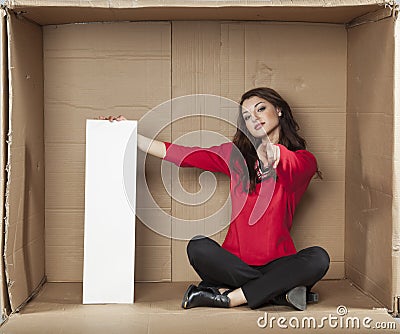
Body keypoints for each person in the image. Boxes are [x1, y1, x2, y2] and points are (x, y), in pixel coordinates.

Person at [100, 87, 330, 311]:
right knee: (198, 247)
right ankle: (278, 292)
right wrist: (130, 135)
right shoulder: (235, 156)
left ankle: (228, 298)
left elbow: (296, 165)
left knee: (318, 258)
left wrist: (276, 153)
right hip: (234, 264)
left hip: (279, 262)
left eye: (261, 109)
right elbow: (186, 155)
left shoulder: (303, 159)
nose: (255, 118)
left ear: (279, 110)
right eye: (247, 116)